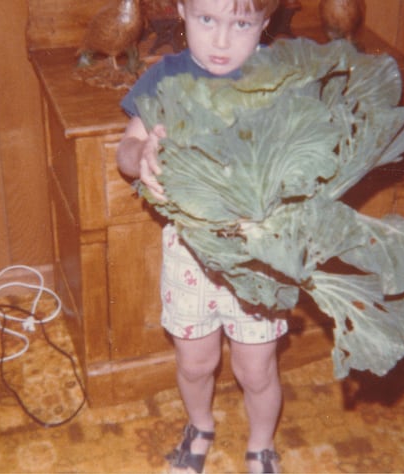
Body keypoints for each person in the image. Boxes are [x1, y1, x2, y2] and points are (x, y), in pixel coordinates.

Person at [116, 0, 285, 472]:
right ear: (182, 11)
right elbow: (125, 151)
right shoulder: (165, 77)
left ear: (265, 24)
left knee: (256, 368)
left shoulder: (279, 81)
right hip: (190, 250)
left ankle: (261, 443)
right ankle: (200, 424)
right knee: (194, 362)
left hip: (257, 254)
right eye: (207, 19)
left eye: (242, 23)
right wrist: (142, 152)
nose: (222, 40)